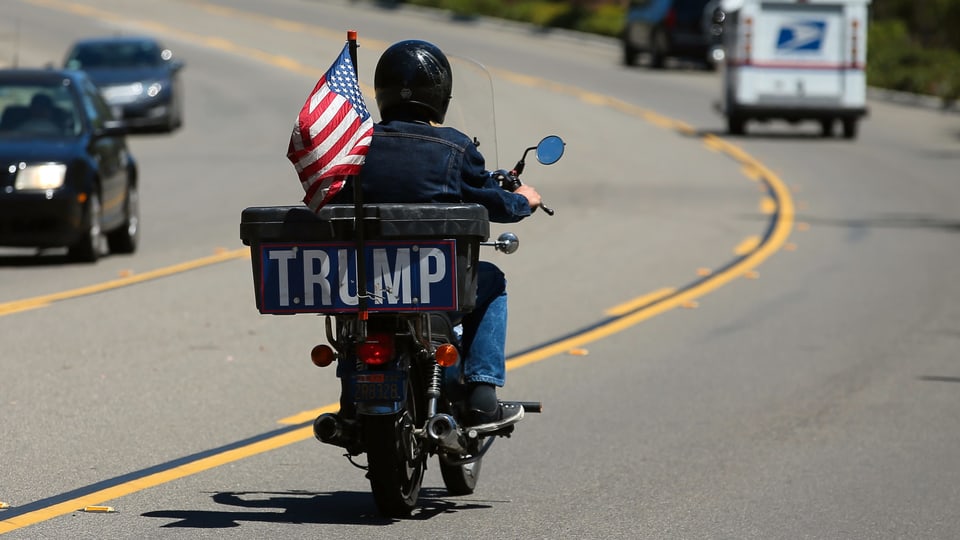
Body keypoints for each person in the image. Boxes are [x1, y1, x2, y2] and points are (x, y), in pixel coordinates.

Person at [330, 39, 542, 426]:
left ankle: (350, 398)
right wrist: (523, 201)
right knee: (492, 279)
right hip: (433, 283)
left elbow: (330, 203)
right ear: (440, 95)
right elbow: (492, 203)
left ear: (382, 92)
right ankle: (481, 392)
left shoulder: (352, 148)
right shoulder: (455, 148)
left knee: (352, 320)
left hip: (362, 283)